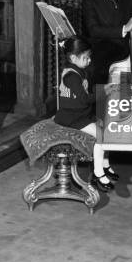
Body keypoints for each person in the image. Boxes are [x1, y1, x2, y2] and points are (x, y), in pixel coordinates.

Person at [53, 37, 118, 193]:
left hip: (80, 114)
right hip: (72, 117)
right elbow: (84, 100)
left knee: (105, 128)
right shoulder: (71, 76)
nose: (89, 60)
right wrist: (104, 91)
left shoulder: (77, 70)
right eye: (86, 58)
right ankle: (97, 174)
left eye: (89, 57)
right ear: (73, 58)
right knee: (101, 135)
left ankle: (104, 163)